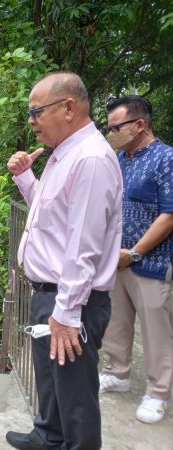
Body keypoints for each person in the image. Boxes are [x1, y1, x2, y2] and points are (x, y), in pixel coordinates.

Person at [5, 72, 123, 450]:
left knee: (76, 396)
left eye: (36, 111)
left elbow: (82, 246)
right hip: (51, 294)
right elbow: (50, 214)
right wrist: (25, 178)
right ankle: (47, 436)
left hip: (72, 299)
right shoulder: (65, 154)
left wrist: (67, 313)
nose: (31, 121)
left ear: (68, 107)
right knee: (50, 379)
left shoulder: (89, 158)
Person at [99, 95, 173, 424]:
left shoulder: (166, 158)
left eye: (117, 127)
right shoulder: (119, 159)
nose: (111, 132)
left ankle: (157, 393)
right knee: (116, 321)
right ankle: (118, 374)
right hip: (115, 259)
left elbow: (169, 215)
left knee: (157, 330)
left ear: (139, 124)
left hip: (151, 263)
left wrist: (134, 253)